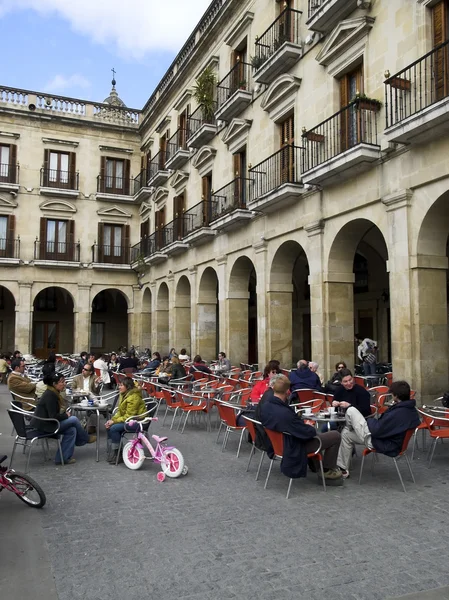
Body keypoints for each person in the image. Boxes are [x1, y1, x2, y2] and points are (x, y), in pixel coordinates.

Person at [258, 375, 342, 480]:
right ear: (288, 391)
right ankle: (327, 471)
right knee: (335, 435)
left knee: (319, 436)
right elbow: (307, 433)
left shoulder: (266, 406)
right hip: (293, 447)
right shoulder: (284, 413)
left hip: (277, 445)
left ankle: (318, 467)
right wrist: (308, 426)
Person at [337, 380, 420, 478]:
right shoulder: (410, 410)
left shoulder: (398, 413)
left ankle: (350, 427)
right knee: (346, 433)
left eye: (392, 394)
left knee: (351, 410)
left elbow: (377, 430)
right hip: (391, 441)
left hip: (383, 443)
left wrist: (370, 421)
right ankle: (343, 470)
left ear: (396, 396)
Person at [31, 373, 96, 465]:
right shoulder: (50, 395)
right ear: (54, 384)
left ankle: (62, 458)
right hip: (46, 425)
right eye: (62, 382)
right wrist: (66, 416)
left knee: (72, 430)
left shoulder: (52, 392)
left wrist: (64, 415)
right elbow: (53, 416)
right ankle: (85, 438)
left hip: (47, 423)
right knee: (73, 419)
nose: (65, 384)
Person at [105, 377, 146, 464]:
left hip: (138, 422)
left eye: (121, 385)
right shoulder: (124, 394)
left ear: (127, 387)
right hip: (129, 420)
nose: (119, 387)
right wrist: (112, 420)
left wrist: (114, 422)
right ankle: (114, 451)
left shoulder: (133, 397)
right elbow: (120, 411)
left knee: (114, 428)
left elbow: (130, 415)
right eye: (119, 385)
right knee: (109, 426)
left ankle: (118, 455)